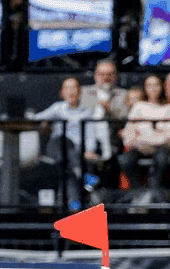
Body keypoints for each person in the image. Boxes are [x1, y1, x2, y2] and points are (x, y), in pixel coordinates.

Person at [34, 76, 112, 209]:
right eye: (67, 88)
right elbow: (37, 117)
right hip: (57, 147)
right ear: (62, 93)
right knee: (64, 142)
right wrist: (42, 123)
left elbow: (89, 135)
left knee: (68, 168)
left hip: (75, 153)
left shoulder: (86, 112)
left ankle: (73, 204)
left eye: (74, 88)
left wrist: (90, 150)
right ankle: (85, 176)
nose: (71, 91)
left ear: (80, 92)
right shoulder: (57, 108)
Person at [118, 74, 170, 198]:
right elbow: (128, 132)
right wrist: (141, 142)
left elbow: (169, 137)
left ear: (162, 87)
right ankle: (138, 192)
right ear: (145, 88)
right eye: (149, 85)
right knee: (124, 159)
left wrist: (147, 140)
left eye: (156, 85)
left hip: (161, 148)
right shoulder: (138, 107)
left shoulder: (169, 109)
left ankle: (154, 191)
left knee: (161, 159)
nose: (153, 88)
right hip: (139, 147)